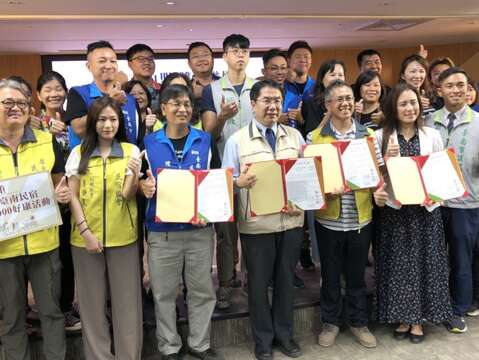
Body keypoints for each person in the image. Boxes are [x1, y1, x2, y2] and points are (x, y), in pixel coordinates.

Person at [222, 80, 305, 360]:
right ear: (253, 104)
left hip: (291, 222)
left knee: (285, 282)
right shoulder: (236, 141)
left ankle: (285, 335)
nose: (273, 106)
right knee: (258, 286)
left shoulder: (295, 136)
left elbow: (305, 178)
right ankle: (263, 341)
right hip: (256, 226)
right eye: (267, 101)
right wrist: (238, 182)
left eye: (277, 101)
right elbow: (225, 182)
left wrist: (302, 201)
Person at [140, 84, 222, 360]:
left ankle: (199, 344)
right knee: (163, 294)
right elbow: (138, 182)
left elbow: (216, 180)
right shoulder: (147, 143)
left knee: (202, 291)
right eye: (175, 103)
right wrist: (144, 188)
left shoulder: (205, 140)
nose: (182, 109)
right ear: (163, 109)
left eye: (187, 103)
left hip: (198, 231)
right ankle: (169, 347)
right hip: (162, 233)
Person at [373, 83, 452, 343]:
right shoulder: (379, 136)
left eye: (413, 103)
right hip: (395, 211)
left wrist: (434, 194)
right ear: (393, 108)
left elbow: (442, 173)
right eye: (403, 104)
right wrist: (385, 159)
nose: (410, 108)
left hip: (425, 211)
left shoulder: (432, 135)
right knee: (398, 267)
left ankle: (418, 321)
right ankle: (403, 318)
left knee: (424, 265)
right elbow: (373, 177)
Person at [66, 96, 143, 359]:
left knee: (128, 305)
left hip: (124, 237)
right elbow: (73, 196)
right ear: (92, 122)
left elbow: (127, 194)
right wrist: (86, 233)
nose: (107, 125)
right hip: (84, 239)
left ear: (119, 121)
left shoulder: (131, 151)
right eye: (101, 119)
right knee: (91, 305)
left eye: (113, 119)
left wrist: (134, 175)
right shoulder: (79, 153)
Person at [0, 78, 71, 360]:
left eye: (21, 103)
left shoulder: (46, 141)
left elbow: (59, 183)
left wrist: (62, 194)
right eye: (7, 102)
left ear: (30, 108)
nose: (15, 108)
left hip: (45, 244)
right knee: (11, 316)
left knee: (52, 313)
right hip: (4, 249)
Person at [311, 80, 383, 349]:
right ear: (328, 105)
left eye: (349, 98)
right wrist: (325, 190)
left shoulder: (368, 137)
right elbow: (309, 182)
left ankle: (358, 322)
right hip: (328, 220)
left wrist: (380, 190)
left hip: (361, 219)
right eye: (338, 98)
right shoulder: (314, 139)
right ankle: (330, 323)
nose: (345, 103)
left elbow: (379, 176)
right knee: (330, 275)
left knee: (356, 276)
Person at [202, 33, 256, 309]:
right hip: (222, 172)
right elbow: (208, 135)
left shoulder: (258, 88)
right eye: (234, 50)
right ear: (224, 56)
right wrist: (222, 117)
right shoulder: (212, 90)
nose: (240, 55)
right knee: (225, 233)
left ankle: (250, 278)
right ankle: (224, 282)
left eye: (245, 50)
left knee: (253, 227)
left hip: (255, 171)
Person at [426, 67, 479, 333]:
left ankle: (458, 309)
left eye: (462, 85)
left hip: (465, 205)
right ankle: (437, 306)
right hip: (433, 204)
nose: (457, 90)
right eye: (450, 85)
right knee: (434, 260)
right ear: (439, 90)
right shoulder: (428, 121)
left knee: (461, 260)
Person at [36, 71, 82, 332]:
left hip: (71, 199)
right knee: (44, 261)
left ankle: (64, 308)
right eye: (48, 89)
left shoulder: (73, 121)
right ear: (39, 95)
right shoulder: (32, 125)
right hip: (40, 203)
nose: (54, 93)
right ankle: (43, 310)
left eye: (59, 88)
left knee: (67, 255)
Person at [65, 40, 139, 149]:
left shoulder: (129, 99)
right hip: (90, 163)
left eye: (113, 61)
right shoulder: (78, 93)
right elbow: (79, 129)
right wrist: (110, 101)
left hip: (126, 162)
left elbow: (135, 136)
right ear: (89, 66)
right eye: (102, 61)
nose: (108, 66)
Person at [302, 59, 346, 138]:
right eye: (332, 75)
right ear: (322, 79)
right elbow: (311, 138)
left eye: (340, 75)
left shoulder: (349, 102)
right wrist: (329, 115)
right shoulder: (311, 103)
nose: (337, 78)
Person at [283, 40, 315, 130]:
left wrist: (302, 120)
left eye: (306, 56)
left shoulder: (317, 87)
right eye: (298, 56)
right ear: (289, 61)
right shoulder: (281, 85)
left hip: (309, 138)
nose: (303, 60)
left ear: (311, 60)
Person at [126, 43, 161, 111]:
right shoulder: (125, 91)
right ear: (130, 65)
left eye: (150, 59)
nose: (147, 62)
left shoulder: (164, 90)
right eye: (141, 59)